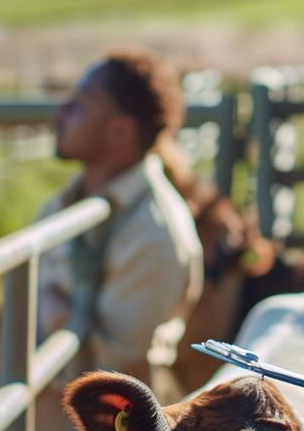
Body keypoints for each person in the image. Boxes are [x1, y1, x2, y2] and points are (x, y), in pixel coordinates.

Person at [36, 47, 203, 384]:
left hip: (102, 424)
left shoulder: (156, 233)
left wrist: (55, 319)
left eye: (81, 101)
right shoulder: (65, 203)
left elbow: (120, 370)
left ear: (119, 131)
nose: (64, 109)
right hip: (47, 396)